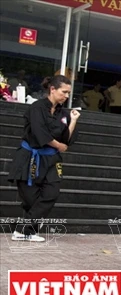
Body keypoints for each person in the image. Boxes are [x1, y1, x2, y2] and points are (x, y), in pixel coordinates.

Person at [7, 75, 80, 242]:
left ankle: (22, 230)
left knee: (51, 194)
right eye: (64, 92)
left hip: (51, 160)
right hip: (30, 158)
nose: (67, 96)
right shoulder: (37, 108)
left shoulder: (64, 113)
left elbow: (67, 139)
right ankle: (27, 232)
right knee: (31, 199)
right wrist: (59, 146)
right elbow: (41, 135)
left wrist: (73, 120)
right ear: (52, 89)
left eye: (69, 93)